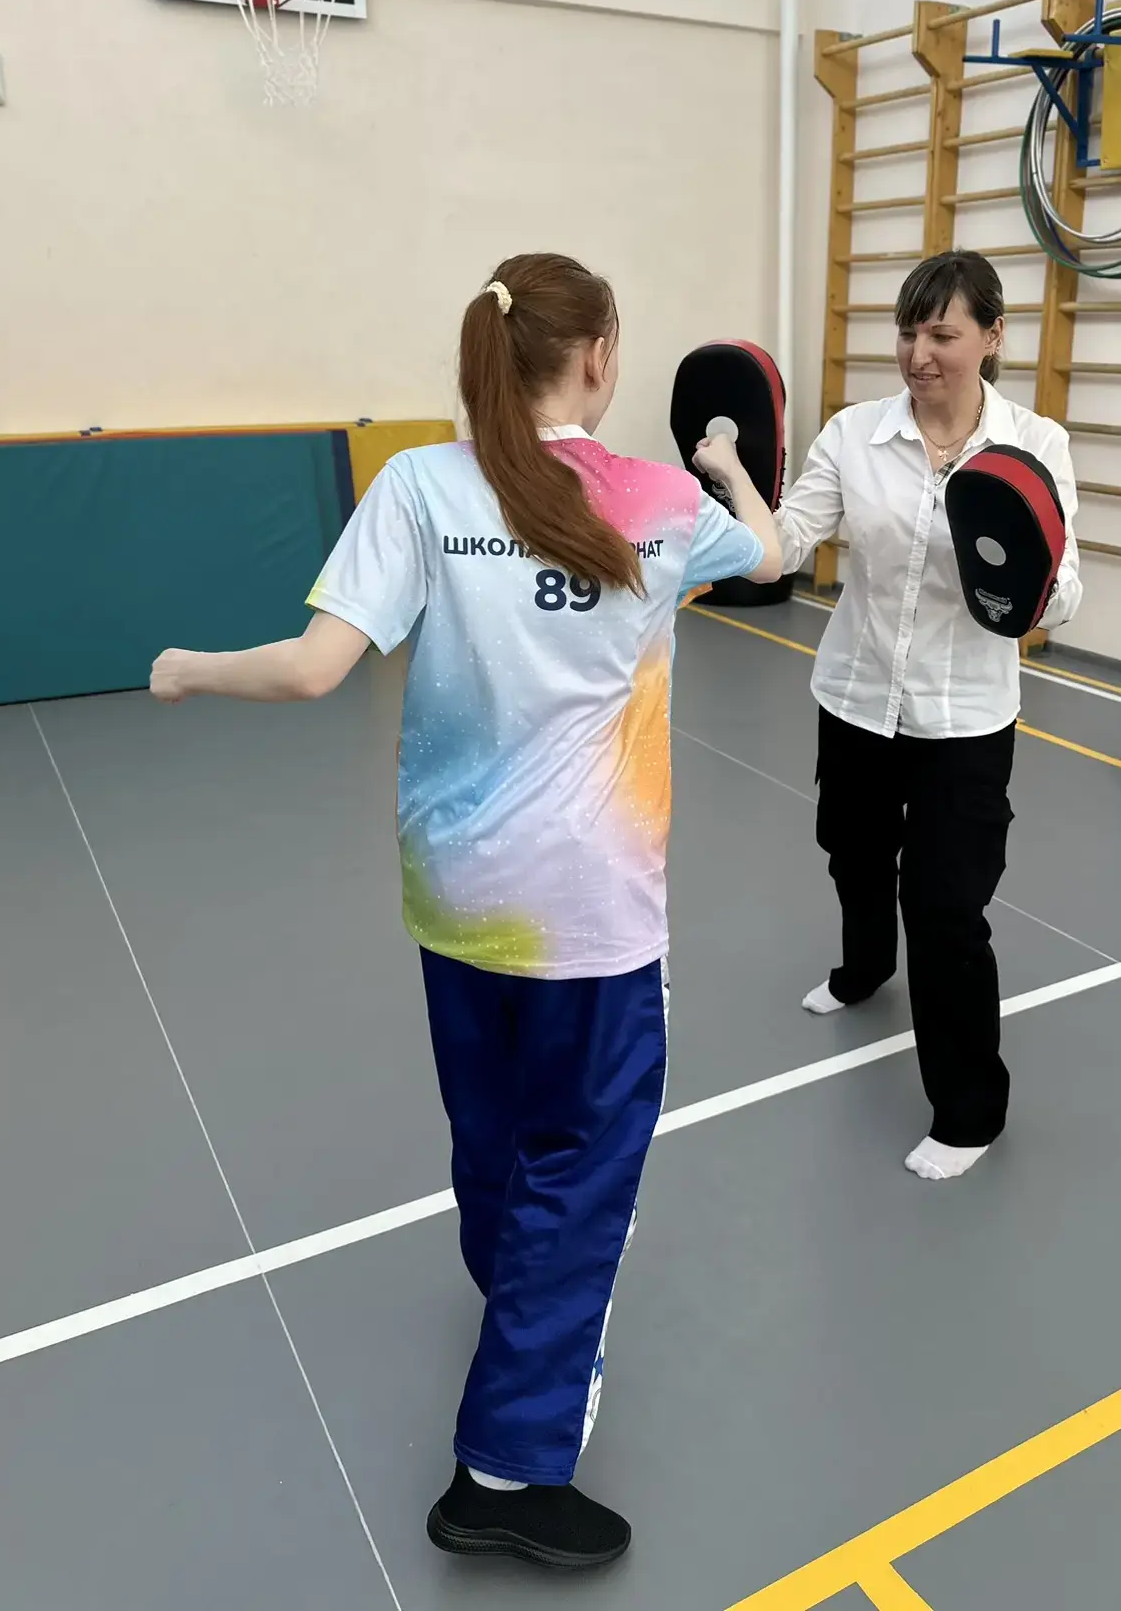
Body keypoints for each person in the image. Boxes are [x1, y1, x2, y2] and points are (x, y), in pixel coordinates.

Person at [149, 253, 783, 1570]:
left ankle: (510, 1290)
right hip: (595, 915)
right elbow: (776, 554)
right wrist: (729, 466)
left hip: (455, 899)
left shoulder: (420, 486)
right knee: (582, 1168)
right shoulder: (661, 502)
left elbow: (314, 669)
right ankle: (505, 1469)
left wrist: (189, 668)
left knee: (493, 1126)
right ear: (599, 358)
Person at [772, 249, 1081, 1184]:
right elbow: (785, 541)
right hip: (857, 697)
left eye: (942, 333)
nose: (919, 354)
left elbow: (1064, 589)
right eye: (908, 333)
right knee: (853, 853)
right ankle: (864, 969)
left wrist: (1024, 585)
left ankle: (970, 1112)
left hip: (966, 721)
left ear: (992, 336)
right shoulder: (855, 435)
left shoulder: (1036, 446)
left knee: (947, 909)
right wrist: (729, 486)